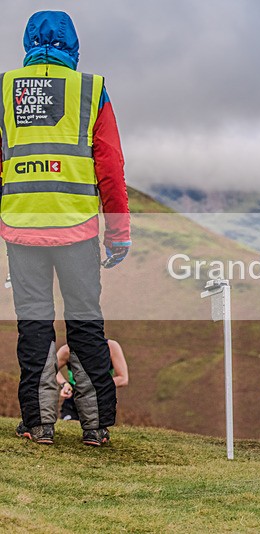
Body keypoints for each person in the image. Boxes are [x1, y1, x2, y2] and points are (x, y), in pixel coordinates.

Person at [2, 11, 131, 446]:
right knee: (86, 321)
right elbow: (110, 166)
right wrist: (118, 232)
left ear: (27, 43)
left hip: (21, 226)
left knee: (33, 323)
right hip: (76, 227)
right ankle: (95, 427)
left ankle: (39, 425)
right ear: (73, 46)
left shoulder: (3, 89)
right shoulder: (91, 89)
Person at [57, 340, 129, 421]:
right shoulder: (67, 349)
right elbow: (51, 369)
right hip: (73, 400)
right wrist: (64, 384)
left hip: (100, 400)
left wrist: (95, 385)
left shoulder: (111, 347)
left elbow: (123, 379)